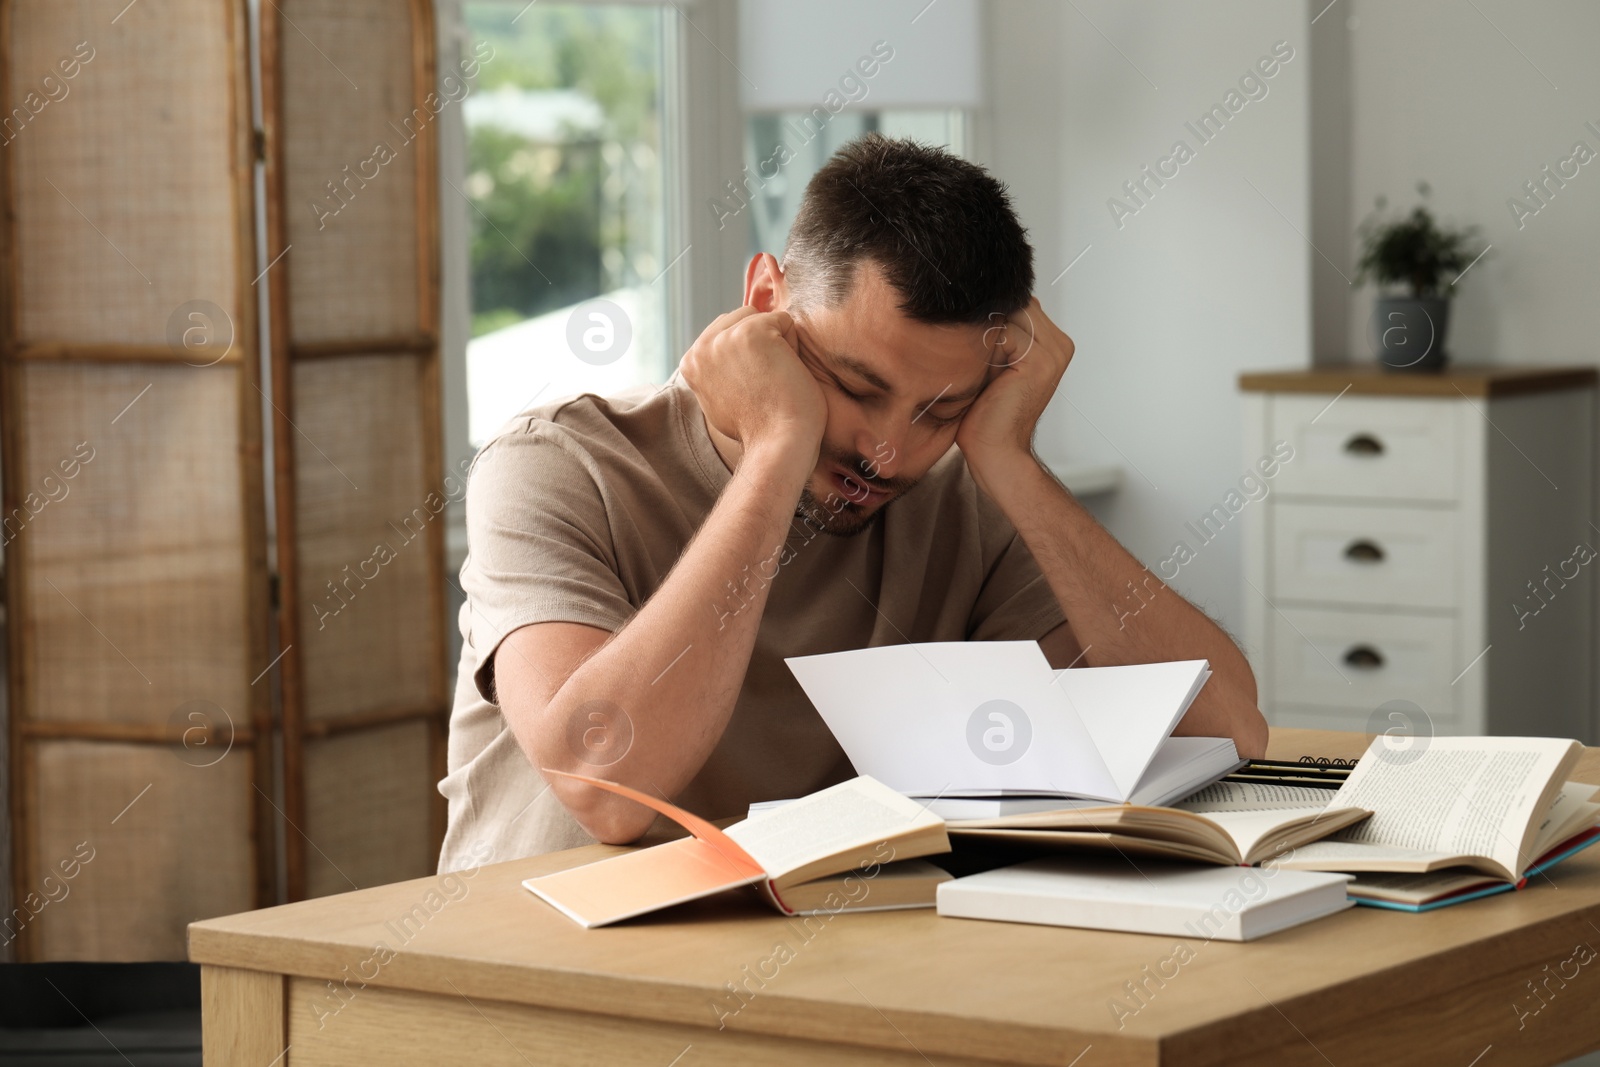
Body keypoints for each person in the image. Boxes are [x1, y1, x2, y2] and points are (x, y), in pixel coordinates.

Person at [437, 134, 1267, 870]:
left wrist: (1009, 462)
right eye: (854, 386)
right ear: (766, 303)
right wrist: (776, 448)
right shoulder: (555, 467)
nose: (887, 450)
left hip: (806, 978)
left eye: (939, 410)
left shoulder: (964, 502)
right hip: (534, 986)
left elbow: (1227, 732)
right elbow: (609, 789)